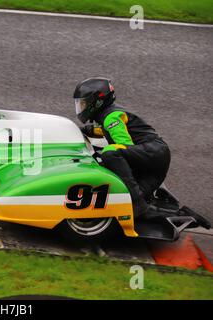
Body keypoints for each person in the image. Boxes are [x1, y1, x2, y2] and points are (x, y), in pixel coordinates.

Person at [73, 77, 209, 227]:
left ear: (97, 101)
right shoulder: (109, 116)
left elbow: (123, 145)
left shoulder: (112, 117)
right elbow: (105, 131)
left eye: (83, 103)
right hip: (154, 158)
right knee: (128, 200)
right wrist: (81, 131)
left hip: (153, 153)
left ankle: (139, 206)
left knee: (110, 153)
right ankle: (185, 216)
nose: (81, 108)